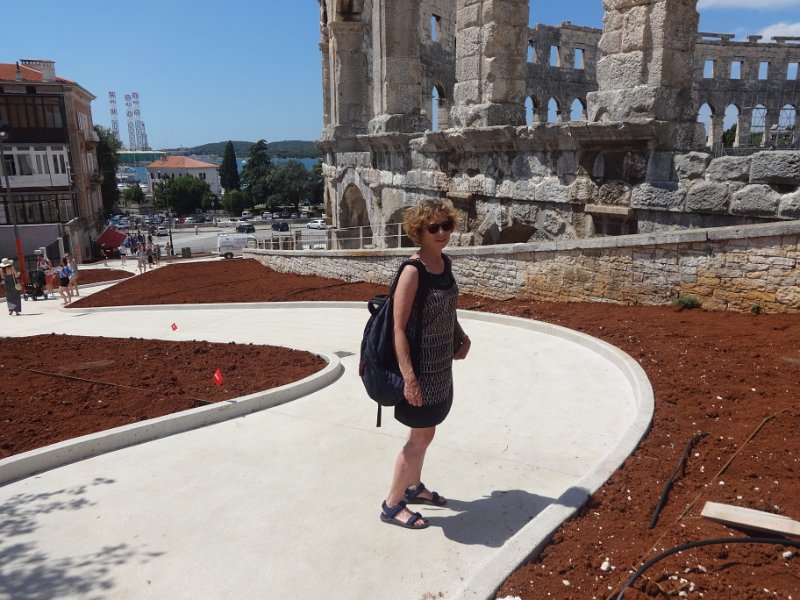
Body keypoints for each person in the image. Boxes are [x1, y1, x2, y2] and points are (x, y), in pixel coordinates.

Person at [380, 199, 472, 530]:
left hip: (440, 369)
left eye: (447, 225)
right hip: (418, 371)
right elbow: (398, 328)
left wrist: (461, 336)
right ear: (418, 231)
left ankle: (414, 487)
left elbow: (448, 308)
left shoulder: (443, 264)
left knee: (427, 432)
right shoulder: (412, 271)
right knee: (417, 438)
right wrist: (409, 379)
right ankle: (392, 504)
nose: (442, 232)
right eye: (434, 227)